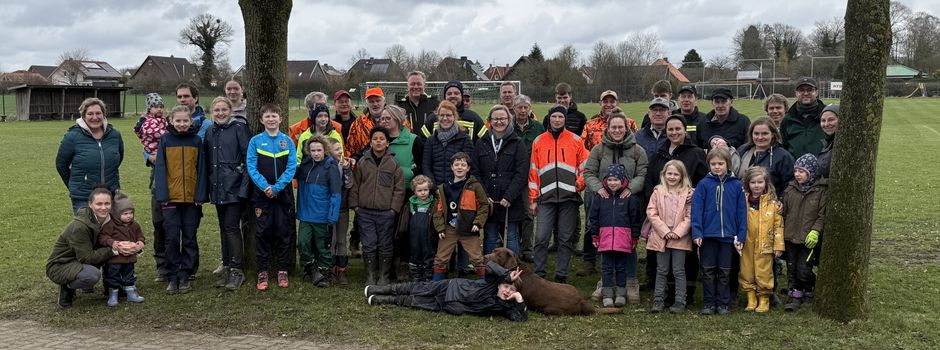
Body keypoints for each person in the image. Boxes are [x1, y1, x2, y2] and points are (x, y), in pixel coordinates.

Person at [642, 114, 707, 305]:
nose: (674, 132)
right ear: (666, 131)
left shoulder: (695, 153)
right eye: (670, 129)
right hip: (662, 214)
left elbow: (703, 181)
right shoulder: (659, 153)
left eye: (678, 129)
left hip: (686, 213)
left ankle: (685, 294)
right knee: (661, 256)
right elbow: (650, 180)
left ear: (685, 130)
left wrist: (695, 196)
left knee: (685, 256)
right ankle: (662, 293)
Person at [582, 111, 647, 296]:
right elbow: (589, 173)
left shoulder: (637, 150)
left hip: (628, 203)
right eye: (613, 127)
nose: (617, 130)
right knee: (606, 240)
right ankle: (606, 280)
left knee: (628, 240)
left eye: (620, 127)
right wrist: (598, 188)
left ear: (626, 128)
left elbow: (642, 173)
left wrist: (631, 188)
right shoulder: (598, 149)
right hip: (605, 204)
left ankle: (631, 280)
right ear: (607, 129)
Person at [530, 105, 590, 283]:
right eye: (554, 116)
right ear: (549, 119)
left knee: (565, 238)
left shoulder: (576, 140)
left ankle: (561, 275)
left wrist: (577, 185)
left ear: (565, 119)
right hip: (546, 198)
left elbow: (585, 168)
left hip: (568, 198)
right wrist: (533, 198)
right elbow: (534, 171)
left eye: (560, 117)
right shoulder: (539, 141)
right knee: (541, 237)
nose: (557, 120)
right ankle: (539, 273)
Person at [153, 105, 209, 294]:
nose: (182, 124)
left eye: (185, 121)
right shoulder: (165, 140)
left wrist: (200, 195)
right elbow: (160, 169)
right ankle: (173, 276)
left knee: (190, 238)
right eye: (178, 121)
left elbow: (201, 170)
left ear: (191, 121)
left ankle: (185, 274)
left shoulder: (196, 141)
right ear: (171, 121)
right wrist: (163, 196)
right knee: (171, 238)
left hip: (192, 200)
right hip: (170, 199)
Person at [365, 261, 527, 322]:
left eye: (511, 290)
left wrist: (519, 299)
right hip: (449, 287)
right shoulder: (492, 283)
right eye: (506, 286)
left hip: (448, 306)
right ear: (500, 285)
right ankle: (379, 289)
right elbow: (490, 265)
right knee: (415, 288)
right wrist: (506, 275)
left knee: (414, 302)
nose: (507, 291)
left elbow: (520, 318)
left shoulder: (504, 307)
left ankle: (381, 299)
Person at [246, 104, 297, 291]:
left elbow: (292, 167)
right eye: (267, 116)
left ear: (280, 119)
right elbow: (251, 167)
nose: (271, 119)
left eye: (274, 115)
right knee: (262, 233)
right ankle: (262, 271)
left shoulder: (288, 141)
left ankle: (282, 269)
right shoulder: (255, 142)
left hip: (282, 195)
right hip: (262, 195)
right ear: (261, 120)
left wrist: (277, 187)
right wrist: (266, 187)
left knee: (283, 232)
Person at [47, 186, 124, 308]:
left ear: (112, 204)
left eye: (107, 203)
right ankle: (67, 287)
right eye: (99, 204)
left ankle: (114, 287)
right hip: (61, 265)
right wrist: (114, 249)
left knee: (116, 253)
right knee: (92, 275)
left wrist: (134, 246)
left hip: (82, 258)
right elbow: (87, 257)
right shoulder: (80, 226)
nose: (103, 208)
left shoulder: (112, 220)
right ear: (90, 204)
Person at [203, 97, 251, 290]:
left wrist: (244, 187)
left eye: (224, 109)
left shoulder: (239, 129)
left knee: (232, 228)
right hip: (218, 188)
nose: (221, 113)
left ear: (231, 110)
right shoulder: (210, 131)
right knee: (223, 228)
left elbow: (249, 157)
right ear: (212, 113)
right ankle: (227, 266)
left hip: (235, 187)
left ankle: (237, 269)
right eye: (217, 110)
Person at [691, 147, 746, 315]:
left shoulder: (736, 185)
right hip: (708, 235)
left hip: (728, 237)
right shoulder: (704, 184)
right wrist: (697, 232)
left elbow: (742, 212)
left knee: (724, 271)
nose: (717, 167)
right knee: (707, 270)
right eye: (713, 164)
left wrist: (741, 235)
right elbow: (696, 210)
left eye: (720, 163)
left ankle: (723, 303)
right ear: (708, 165)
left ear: (728, 164)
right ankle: (708, 303)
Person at [350, 127, 405, 286]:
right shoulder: (363, 162)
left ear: (388, 143)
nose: (378, 141)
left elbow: (399, 189)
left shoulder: (394, 164)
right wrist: (356, 207)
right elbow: (355, 184)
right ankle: (370, 275)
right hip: (365, 212)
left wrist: (393, 209)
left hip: (385, 213)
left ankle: (383, 276)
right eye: (375, 139)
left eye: (382, 139)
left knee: (385, 244)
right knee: (369, 243)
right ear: (370, 142)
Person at [474, 105, 529, 256]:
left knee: (511, 236)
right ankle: (490, 272)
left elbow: (521, 173)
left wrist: (509, 196)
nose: (499, 122)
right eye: (495, 119)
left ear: (509, 120)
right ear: (490, 121)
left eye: (502, 119)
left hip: (510, 200)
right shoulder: (481, 143)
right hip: (489, 199)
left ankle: (512, 271)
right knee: (490, 236)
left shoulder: (517, 143)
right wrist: (484, 196)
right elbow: (475, 172)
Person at [56, 97, 125, 214]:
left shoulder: (114, 135)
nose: (95, 117)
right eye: (90, 114)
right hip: (84, 197)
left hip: (110, 195)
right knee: (87, 231)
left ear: (104, 114)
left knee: (110, 231)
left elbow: (118, 158)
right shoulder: (72, 136)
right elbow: (61, 164)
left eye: (98, 113)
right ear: (83, 116)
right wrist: (77, 186)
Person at [588, 164, 642, 308]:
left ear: (622, 180)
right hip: (605, 239)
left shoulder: (630, 198)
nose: (613, 183)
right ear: (606, 180)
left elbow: (635, 219)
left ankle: (620, 294)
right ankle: (607, 294)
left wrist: (634, 237)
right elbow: (593, 217)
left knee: (621, 268)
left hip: (623, 239)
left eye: (616, 180)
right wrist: (595, 235)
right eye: (610, 179)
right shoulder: (600, 197)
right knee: (606, 268)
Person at [431, 152, 490, 280]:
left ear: (468, 168)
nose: (460, 167)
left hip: (468, 228)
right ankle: (435, 285)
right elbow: (438, 210)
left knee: (477, 259)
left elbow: (484, 206)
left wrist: (477, 223)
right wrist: (440, 228)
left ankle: (485, 284)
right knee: (441, 258)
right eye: (456, 164)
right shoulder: (443, 188)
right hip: (449, 229)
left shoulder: (475, 186)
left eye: (463, 165)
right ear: (451, 167)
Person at [645, 160, 694, 314]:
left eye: (676, 174)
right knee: (662, 269)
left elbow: (689, 216)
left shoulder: (688, 193)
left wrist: (677, 232)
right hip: (661, 237)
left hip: (680, 238)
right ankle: (658, 299)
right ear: (664, 175)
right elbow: (651, 213)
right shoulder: (658, 191)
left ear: (682, 176)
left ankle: (680, 300)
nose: (672, 177)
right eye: (669, 173)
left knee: (679, 270)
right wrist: (665, 231)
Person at [782, 153, 828, 311]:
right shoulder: (790, 189)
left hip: (807, 239)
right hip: (790, 237)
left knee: (804, 269)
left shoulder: (821, 191)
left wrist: (815, 231)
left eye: (802, 171)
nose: (797, 174)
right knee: (791, 267)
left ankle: (809, 287)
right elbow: (784, 212)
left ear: (811, 172)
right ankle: (795, 295)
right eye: (796, 171)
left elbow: (822, 215)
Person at [296, 137, 341, 287]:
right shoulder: (305, 165)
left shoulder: (331, 167)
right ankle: (311, 268)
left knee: (323, 246)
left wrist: (332, 217)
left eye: (319, 150)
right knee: (303, 242)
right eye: (313, 150)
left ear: (325, 151)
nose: (316, 154)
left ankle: (325, 271)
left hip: (322, 215)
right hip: (306, 214)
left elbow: (336, 194)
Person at [739, 166, 784, 313]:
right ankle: (751, 297)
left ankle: (764, 298)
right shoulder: (742, 201)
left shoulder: (772, 203)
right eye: (753, 182)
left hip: (765, 243)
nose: (757, 185)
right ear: (748, 184)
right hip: (746, 242)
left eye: (760, 182)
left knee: (764, 271)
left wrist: (778, 245)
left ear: (766, 183)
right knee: (747, 270)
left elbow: (778, 225)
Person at [98, 190, 146, 307]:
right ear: (116, 214)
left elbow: (140, 235)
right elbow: (103, 237)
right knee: (113, 276)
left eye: (131, 213)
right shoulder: (110, 225)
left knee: (129, 275)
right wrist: (113, 243)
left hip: (129, 258)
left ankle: (130, 293)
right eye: (125, 214)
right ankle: (113, 294)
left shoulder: (134, 225)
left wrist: (139, 243)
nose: (129, 216)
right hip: (115, 259)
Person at [511, 94, 544, 263]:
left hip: (531, 177)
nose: (522, 111)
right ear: (514, 109)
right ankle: (513, 246)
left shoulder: (538, 128)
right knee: (512, 212)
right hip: (512, 176)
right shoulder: (508, 127)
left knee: (529, 213)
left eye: (526, 107)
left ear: (530, 109)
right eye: (519, 107)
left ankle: (528, 248)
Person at [733, 117, 795, 198]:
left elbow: (790, 184)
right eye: (756, 133)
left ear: (772, 134)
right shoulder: (743, 150)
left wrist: (781, 200)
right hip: (741, 203)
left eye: (765, 133)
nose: (760, 137)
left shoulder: (783, 156)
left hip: (769, 206)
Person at [422, 101, 476, 186]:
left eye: (448, 115)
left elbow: (469, 165)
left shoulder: (465, 139)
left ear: (454, 117)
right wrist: (434, 187)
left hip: (458, 188)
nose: (445, 118)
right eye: (442, 115)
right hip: (436, 188)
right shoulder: (431, 140)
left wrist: (456, 186)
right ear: (437, 117)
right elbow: (426, 166)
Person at [422, 80, 487, 143]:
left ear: (461, 96)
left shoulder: (473, 118)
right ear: (445, 96)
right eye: (449, 94)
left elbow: (486, 141)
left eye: (456, 93)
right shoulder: (433, 118)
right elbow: (423, 142)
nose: (452, 96)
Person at [327, 138, 354, 285]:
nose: (341, 152)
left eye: (340, 149)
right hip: (329, 209)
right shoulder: (326, 166)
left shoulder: (343, 165)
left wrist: (347, 169)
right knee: (331, 240)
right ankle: (330, 269)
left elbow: (349, 184)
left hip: (343, 208)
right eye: (337, 149)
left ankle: (342, 270)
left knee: (342, 240)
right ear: (328, 152)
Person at [781, 77, 827, 157]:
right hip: (795, 168)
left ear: (816, 92)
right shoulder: (788, 119)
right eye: (801, 90)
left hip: (823, 168)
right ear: (796, 93)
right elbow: (783, 148)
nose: (805, 93)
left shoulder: (827, 116)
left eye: (809, 90)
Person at [395, 71, 439, 142]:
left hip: (429, 147)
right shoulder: (399, 106)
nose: (416, 87)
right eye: (412, 84)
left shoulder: (435, 104)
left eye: (419, 84)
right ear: (408, 86)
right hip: (407, 147)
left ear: (424, 86)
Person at [407, 175, 436, 281]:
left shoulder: (433, 203)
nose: (423, 193)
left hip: (429, 235)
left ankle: (428, 276)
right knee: (415, 253)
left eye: (425, 190)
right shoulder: (411, 204)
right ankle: (416, 275)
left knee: (429, 253)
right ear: (414, 191)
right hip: (414, 236)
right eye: (419, 190)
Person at [346, 87, 387, 158]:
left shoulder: (395, 120)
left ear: (384, 102)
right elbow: (350, 149)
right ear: (367, 104)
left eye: (378, 100)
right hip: (365, 165)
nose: (375, 104)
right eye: (371, 101)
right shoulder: (358, 124)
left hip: (390, 165)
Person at [135, 93, 167, 167]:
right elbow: (155, 132)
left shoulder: (162, 119)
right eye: (156, 107)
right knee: (157, 172)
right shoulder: (149, 121)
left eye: (161, 107)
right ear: (149, 109)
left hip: (160, 149)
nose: (159, 109)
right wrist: (169, 133)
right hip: (153, 150)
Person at [817, 104, 840, 178]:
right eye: (823, 120)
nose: (826, 124)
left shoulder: (845, 145)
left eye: (831, 120)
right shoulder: (828, 143)